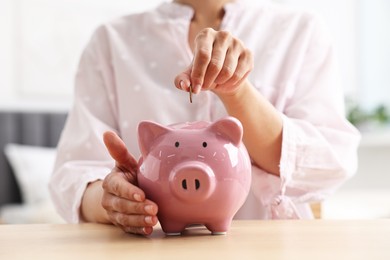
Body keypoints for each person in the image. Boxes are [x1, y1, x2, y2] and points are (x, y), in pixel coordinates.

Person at [49, 0, 361, 235]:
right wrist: (112, 201)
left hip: (270, 248)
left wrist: (236, 92)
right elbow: (73, 173)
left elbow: (330, 163)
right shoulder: (111, 41)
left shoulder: (300, 31)